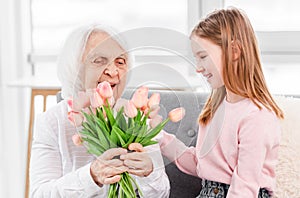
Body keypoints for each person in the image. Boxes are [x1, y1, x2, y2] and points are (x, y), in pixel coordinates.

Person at [30, 24, 170, 197]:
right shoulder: (52, 121)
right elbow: (39, 194)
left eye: (121, 62)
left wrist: (149, 174)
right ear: (75, 69)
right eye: (99, 60)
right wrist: (92, 176)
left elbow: (162, 193)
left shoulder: (138, 116)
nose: (113, 71)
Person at [159, 7, 284, 198]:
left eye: (202, 57)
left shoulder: (257, 115)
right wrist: (159, 137)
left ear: (234, 51)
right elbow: (201, 165)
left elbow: (245, 187)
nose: (198, 68)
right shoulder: (216, 108)